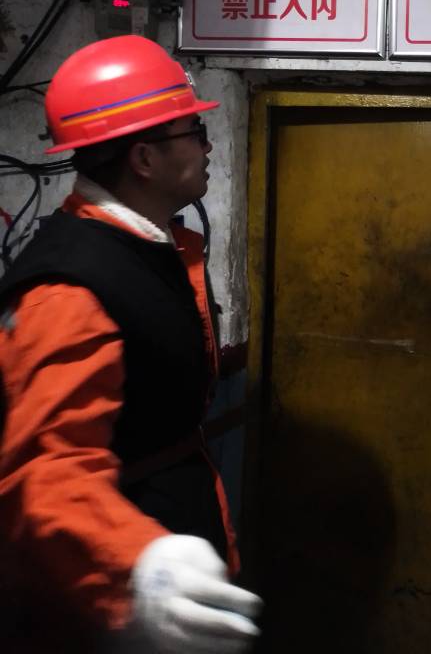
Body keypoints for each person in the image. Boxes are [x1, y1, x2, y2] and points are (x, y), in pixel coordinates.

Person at [0, 35, 261, 653]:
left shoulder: (145, 246)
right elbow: (45, 470)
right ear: (144, 158)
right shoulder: (68, 290)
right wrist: (138, 570)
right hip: (114, 602)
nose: (208, 146)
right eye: (194, 131)